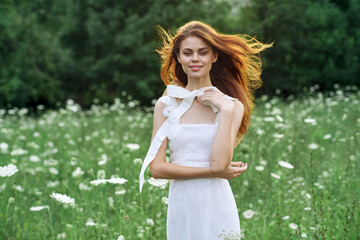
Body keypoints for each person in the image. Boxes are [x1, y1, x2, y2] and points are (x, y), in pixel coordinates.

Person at [139, 21, 273, 239]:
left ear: (214, 56)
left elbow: (219, 163)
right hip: (182, 203)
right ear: (179, 57)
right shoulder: (166, 105)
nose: (195, 59)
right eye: (188, 53)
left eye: (203, 52)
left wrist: (225, 110)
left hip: (217, 201)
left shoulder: (232, 106)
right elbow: (157, 168)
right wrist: (211, 173)